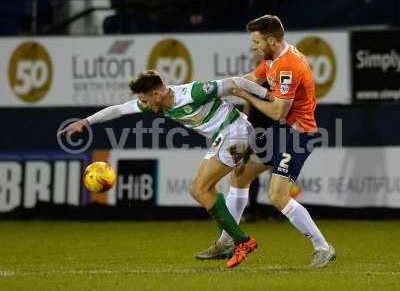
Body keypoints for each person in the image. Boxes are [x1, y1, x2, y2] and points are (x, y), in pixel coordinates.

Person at [58, 70, 270, 268]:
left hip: (236, 132)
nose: (144, 105)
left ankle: (242, 241)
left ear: (158, 93)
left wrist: (268, 96)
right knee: (206, 188)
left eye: (146, 100)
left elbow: (237, 82)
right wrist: (86, 121)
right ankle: (227, 242)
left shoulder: (193, 92)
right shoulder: (157, 103)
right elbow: (120, 109)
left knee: (199, 188)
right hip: (225, 136)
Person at [195, 15, 336, 268]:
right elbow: (250, 78)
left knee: (277, 196)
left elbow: (278, 111)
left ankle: (323, 247)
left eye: (257, 41)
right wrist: (214, 89)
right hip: (280, 132)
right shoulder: (273, 59)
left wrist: (241, 93)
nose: (254, 47)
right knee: (240, 175)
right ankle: (228, 240)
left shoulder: (288, 66)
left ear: (271, 40)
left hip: (297, 135)